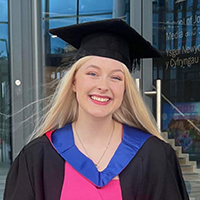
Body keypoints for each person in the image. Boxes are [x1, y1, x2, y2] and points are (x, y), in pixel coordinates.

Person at [4, 19, 189, 200]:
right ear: (74, 82)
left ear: (125, 89)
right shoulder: (38, 157)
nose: (103, 86)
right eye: (92, 74)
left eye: (116, 78)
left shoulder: (153, 156)